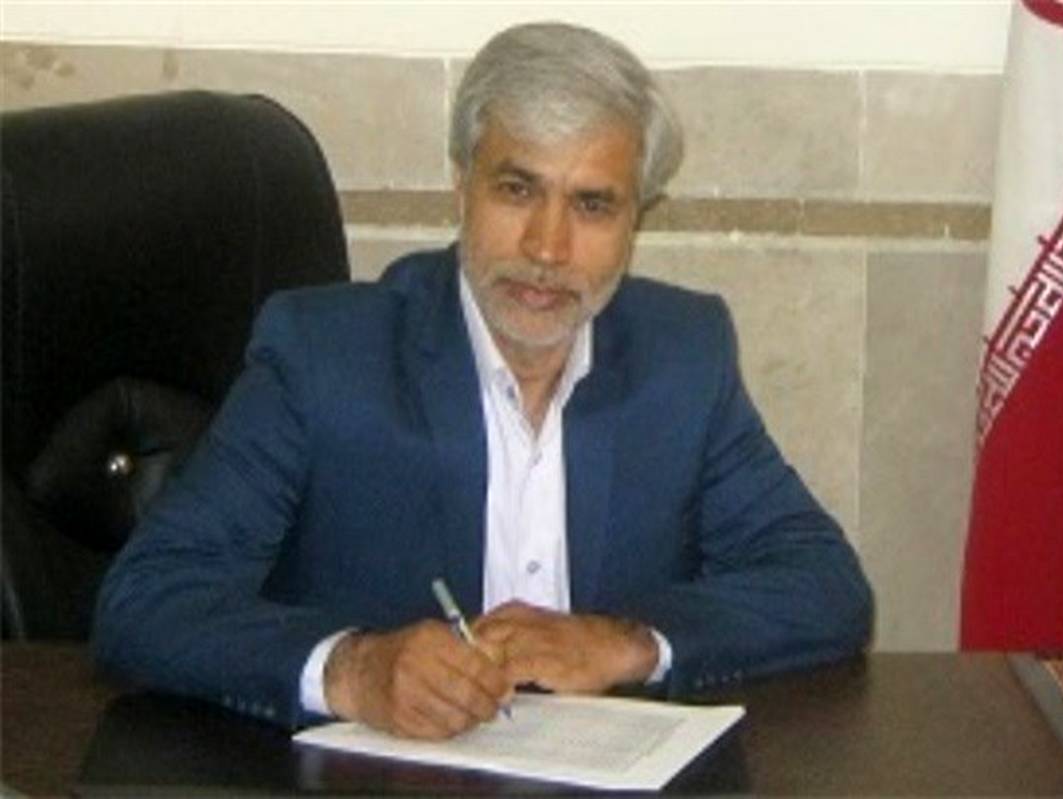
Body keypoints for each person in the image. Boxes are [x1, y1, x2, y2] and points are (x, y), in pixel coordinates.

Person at [92, 21, 873, 740]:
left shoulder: (682, 356)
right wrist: (353, 670)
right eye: (517, 189)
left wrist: (624, 643)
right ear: (461, 184)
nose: (547, 247)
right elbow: (146, 598)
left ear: (637, 218)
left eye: (592, 205)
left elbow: (825, 585)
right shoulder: (324, 357)